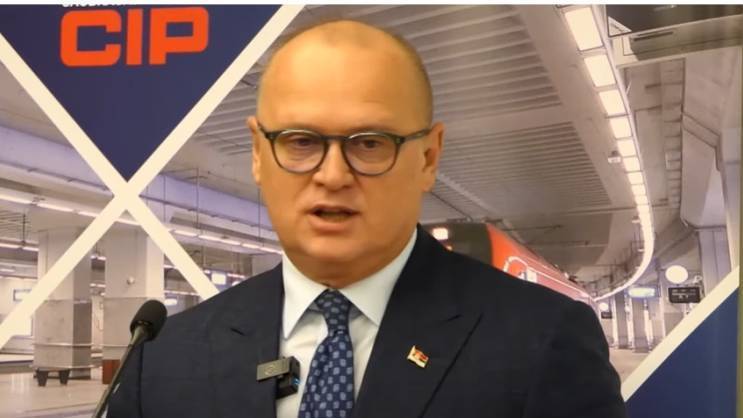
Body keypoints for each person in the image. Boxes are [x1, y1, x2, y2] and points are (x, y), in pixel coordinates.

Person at [108, 19, 626, 418]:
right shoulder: (162, 359)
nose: (333, 175)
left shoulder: (542, 343)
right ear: (259, 154)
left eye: (371, 143)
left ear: (428, 157)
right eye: (301, 141)